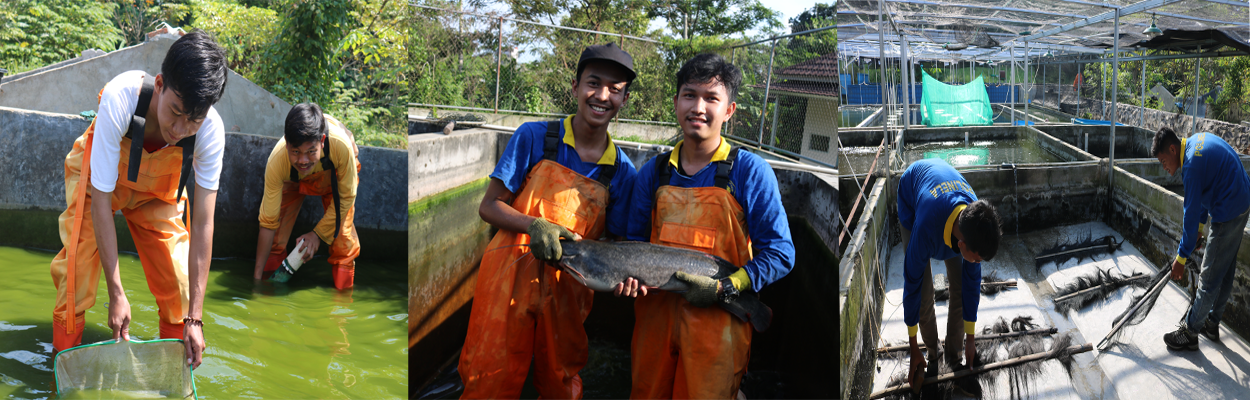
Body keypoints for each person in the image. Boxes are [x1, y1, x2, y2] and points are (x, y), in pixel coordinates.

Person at [458, 43, 639, 398]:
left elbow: (615, 244)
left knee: (561, 382)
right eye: (594, 83)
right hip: (507, 279)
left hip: (569, 291)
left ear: (625, 100)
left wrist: (623, 276)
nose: (602, 96)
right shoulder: (535, 137)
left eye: (615, 90)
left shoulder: (622, 172)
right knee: (488, 379)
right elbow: (489, 206)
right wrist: (532, 225)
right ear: (575, 87)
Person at [618, 53, 795, 399]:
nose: (698, 107)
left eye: (711, 98)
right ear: (676, 102)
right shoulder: (653, 174)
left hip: (718, 329)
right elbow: (633, 244)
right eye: (689, 95)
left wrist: (726, 287)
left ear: (728, 111)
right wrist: (626, 280)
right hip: (654, 324)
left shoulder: (749, 172)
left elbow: (781, 252)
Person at [49, 30, 228, 369]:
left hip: (156, 196)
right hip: (99, 188)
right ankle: (62, 366)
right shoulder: (122, 97)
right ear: (159, 84)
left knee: (179, 287)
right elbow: (101, 200)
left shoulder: (209, 131)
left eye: (194, 120)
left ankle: (171, 374)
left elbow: (204, 222)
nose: (180, 128)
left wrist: (196, 318)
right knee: (75, 278)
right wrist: (116, 293)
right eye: (175, 111)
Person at [898, 158, 1001, 392]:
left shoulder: (973, 219)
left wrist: (971, 339)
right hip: (914, 203)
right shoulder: (925, 228)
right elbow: (912, 285)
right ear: (962, 245)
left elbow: (970, 287)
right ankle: (933, 357)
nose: (977, 264)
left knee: (961, 289)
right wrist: (914, 347)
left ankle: (953, 358)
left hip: (945, 198)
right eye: (976, 259)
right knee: (924, 294)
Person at [1153, 127, 1250, 350]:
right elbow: (1208, 188)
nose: (1164, 166)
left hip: (1229, 209)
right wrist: (1199, 228)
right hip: (1241, 199)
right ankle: (1212, 323)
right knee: (1224, 268)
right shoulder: (1195, 144)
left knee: (1208, 275)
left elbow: (1190, 210)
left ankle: (1191, 331)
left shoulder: (1191, 167)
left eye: (1163, 160)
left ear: (1172, 148)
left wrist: (1181, 257)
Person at [252, 103, 361, 289]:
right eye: (295, 152)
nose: (303, 160)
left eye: (311, 151)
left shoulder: (341, 147)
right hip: (292, 179)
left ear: (322, 141)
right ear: (286, 144)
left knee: (344, 243)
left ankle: (342, 305)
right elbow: (268, 222)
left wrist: (317, 235)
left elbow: (346, 197)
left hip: (333, 179)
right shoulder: (277, 161)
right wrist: (256, 280)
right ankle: (269, 289)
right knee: (275, 240)